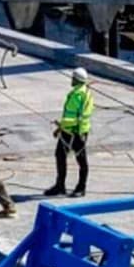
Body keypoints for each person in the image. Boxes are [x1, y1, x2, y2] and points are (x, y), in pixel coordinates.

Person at [44, 68, 94, 198]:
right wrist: (60, 129)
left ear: (76, 79)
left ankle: (81, 187)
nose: (71, 80)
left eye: (73, 78)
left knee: (81, 160)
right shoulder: (80, 92)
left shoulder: (80, 95)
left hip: (77, 133)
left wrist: (61, 124)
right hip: (67, 131)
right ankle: (60, 185)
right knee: (59, 155)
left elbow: (78, 118)